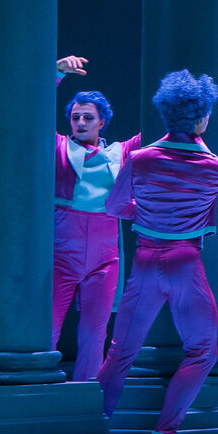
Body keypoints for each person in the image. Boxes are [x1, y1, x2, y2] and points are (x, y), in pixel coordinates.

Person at [96, 69, 218, 434]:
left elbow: (112, 207)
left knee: (120, 352)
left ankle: (95, 430)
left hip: (143, 262)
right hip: (184, 263)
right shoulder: (215, 165)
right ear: (202, 118)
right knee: (202, 351)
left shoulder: (140, 159)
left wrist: (146, 212)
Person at [52, 55, 142, 381]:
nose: (80, 123)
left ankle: (84, 395)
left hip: (106, 250)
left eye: (88, 117)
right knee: (47, 326)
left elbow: (165, 126)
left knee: (95, 331)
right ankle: (38, 388)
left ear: (102, 122)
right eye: (75, 117)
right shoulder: (59, 147)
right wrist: (57, 72)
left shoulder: (119, 152)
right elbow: (31, 112)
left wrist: (217, 73)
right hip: (63, 245)